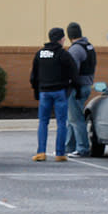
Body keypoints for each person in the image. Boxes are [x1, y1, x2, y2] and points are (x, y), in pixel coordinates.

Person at [29, 26, 78, 162]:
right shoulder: (63, 54)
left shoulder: (40, 54)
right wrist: (74, 88)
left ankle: (41, 152)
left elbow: (33, 76)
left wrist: (36, 91)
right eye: (63, 38)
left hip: (44, 92)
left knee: (43, 122)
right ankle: (60, 154)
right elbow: (73, 72)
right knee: (62, 122)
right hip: (59, 92)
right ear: (60, 39)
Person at [65, 22, 97, 158]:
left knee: (76, 119)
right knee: (72, 118)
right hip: (86, 85)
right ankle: (69, 147)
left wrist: (69, 86)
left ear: (69, 35)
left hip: (77, 88)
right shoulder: (89, 46)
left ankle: (82, 148)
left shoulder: (75, 50)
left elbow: (72, 72)